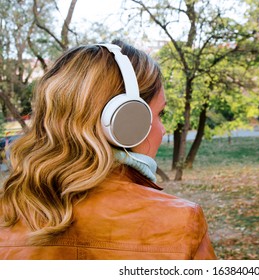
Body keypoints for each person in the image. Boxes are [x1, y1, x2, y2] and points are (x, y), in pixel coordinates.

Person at [0, 40, 216, 260]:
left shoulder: (6, 214)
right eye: (159, 114)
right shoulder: (181, 223)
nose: (163, 129)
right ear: (127, 121)